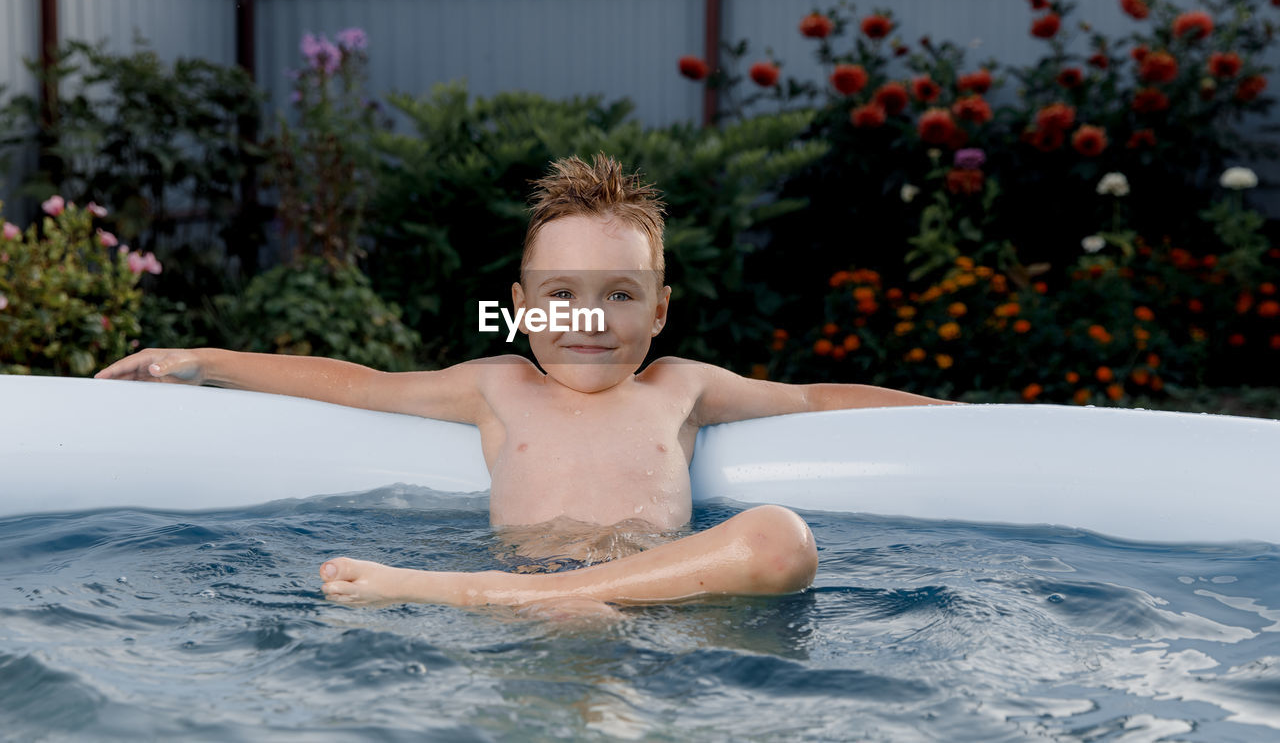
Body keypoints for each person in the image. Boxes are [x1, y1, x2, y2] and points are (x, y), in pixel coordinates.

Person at [97, 154, 952, 615]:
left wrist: (966, 418)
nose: (591, 319)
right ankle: (523, 597)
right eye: (562, 296)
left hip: (659, 588)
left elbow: (812, 400)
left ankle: (484, 596)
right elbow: (356, 386)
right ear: (520, 307)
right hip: (542, 583)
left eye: (620, 295)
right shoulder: (498, 384)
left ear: (659, 310)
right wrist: (199, 361)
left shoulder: (678, 386)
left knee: (780, 540)